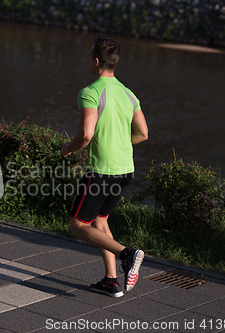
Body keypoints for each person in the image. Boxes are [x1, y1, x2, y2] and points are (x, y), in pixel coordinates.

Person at [61, 37, 149, 297]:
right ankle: (111, 281)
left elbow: (86, 135)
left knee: (77, 225)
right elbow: (143, 134)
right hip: (126, 170)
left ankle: (127, 254)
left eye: (89, 57)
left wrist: (68, 148)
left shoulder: (90, 92)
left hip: (103, 170)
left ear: (96, 61)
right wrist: (120, 141)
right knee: (100, 221)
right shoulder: (129, 94)